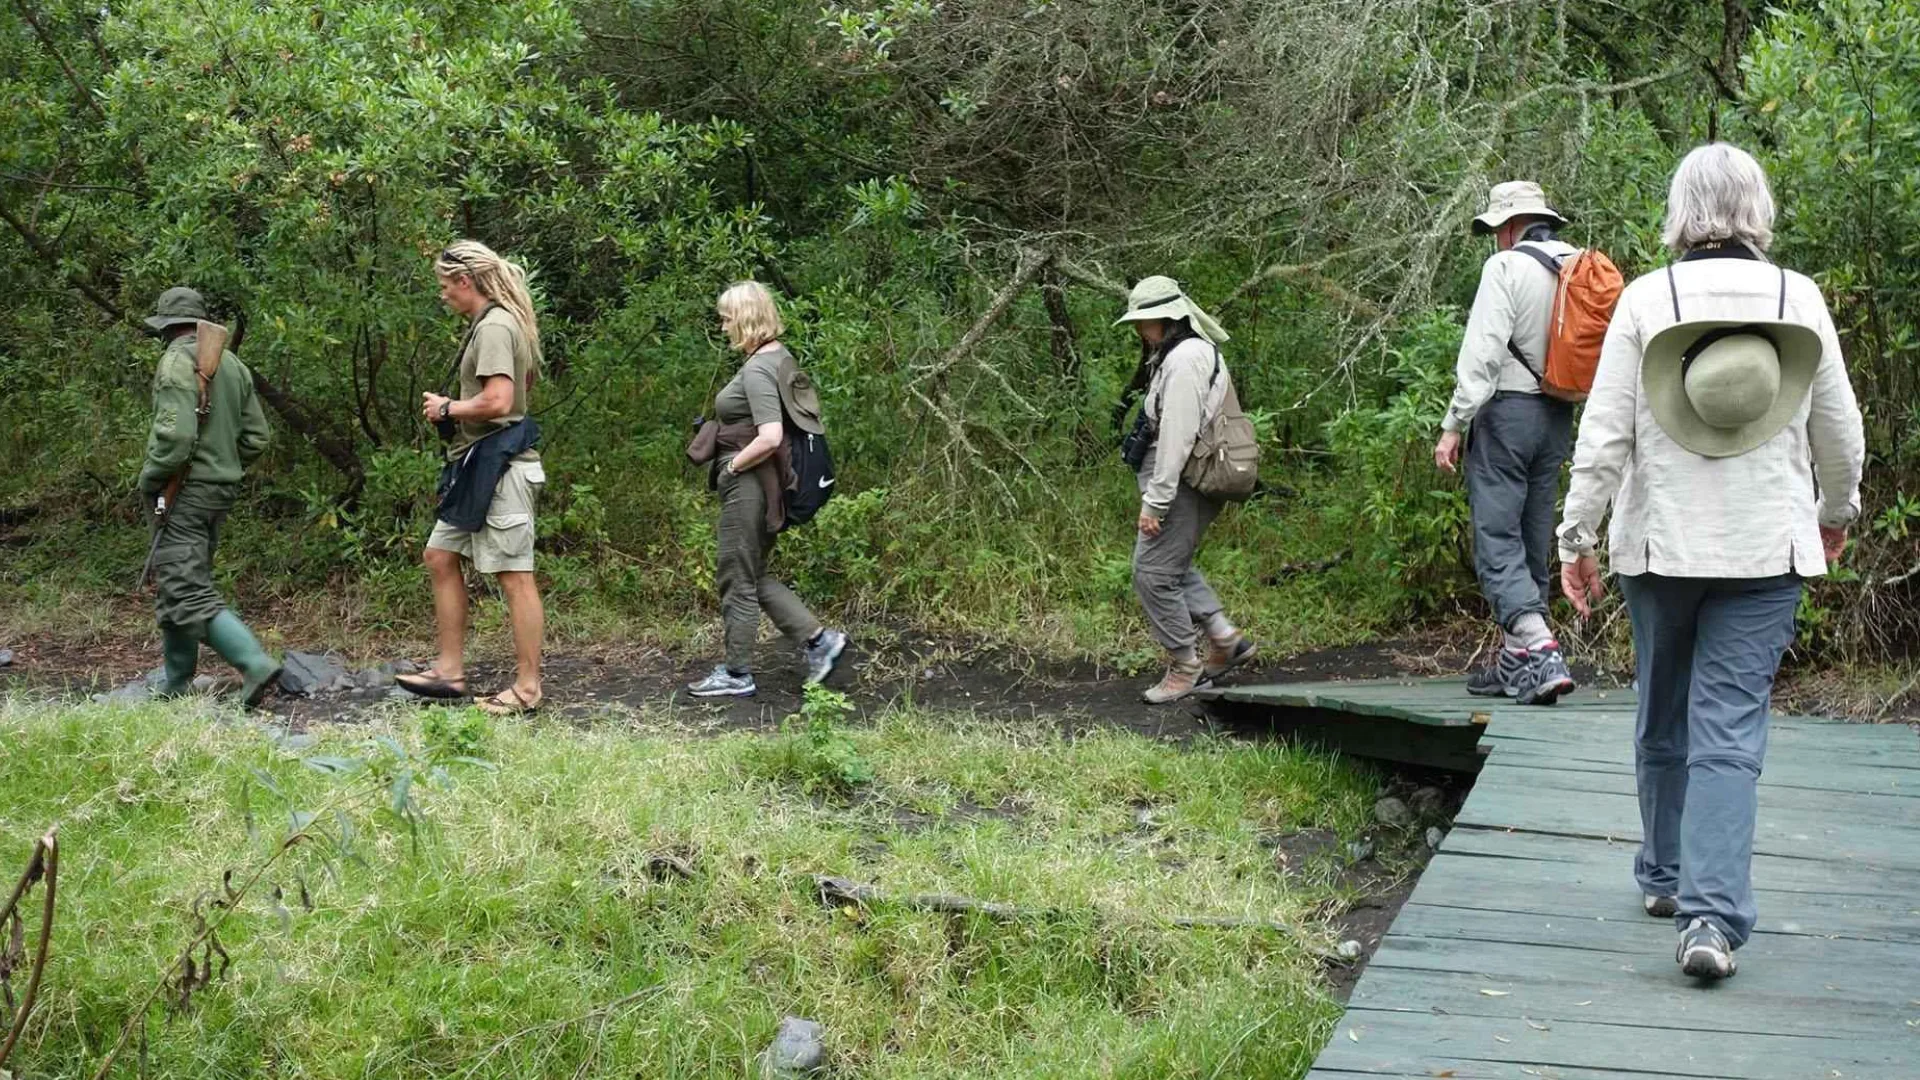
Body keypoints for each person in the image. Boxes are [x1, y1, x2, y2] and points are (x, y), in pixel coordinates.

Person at [1557, 143, 1865, 981]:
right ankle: (1711, 919)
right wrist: (1835, 515)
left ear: (1681, 212)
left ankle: (1665, 878)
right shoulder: (1794, 297)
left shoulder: (1647, 298)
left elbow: (1606, 433)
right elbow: (1839, 430)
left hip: (1661, 547)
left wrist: (1575, 538)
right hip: (1767, 545)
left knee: (1663, 707)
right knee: (1727, 730)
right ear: (1756, 209)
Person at [1434, 181, 1580, 705]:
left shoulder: (1505, 268)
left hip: (1507, 415)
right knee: (1532, 529)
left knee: (1496, 535)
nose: (1496, 239)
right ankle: (1517, 662)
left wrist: (1454, 423)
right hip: (1559, 416)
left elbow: (1483, 354)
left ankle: (1538, 644)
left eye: (1497, 229)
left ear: (1510, 227)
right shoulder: (1577, 265)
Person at [395, 241, 548, 716]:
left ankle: (527, 689)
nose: (443, 295)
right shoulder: (494, 324)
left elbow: (501, 401)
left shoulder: (497, 325)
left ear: (466, 282)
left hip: (502, 468)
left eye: (445, 286)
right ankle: (448, 672)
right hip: (476, 464)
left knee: (514, 576)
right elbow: (525, 385)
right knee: (440, 555)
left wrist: (448, 407)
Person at [684, 281, 847, 698]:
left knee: (735, 575)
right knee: (753, 574)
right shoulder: (780, 358)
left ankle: (737, 673)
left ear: (746, 318)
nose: (722, 327)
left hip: (751, 483)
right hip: (769, 483)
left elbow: (771, 435)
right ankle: (819, 641)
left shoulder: (758, 368)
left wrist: (733, 467)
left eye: (726, 318)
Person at [1114, 276, 1256, 704]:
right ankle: (1224, 638)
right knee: (1171, 564)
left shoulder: (1186, 359)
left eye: (1146, 321)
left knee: (1152, 573)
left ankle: (1184, 665)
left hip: (1182, 481)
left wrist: (1156, 502)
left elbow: (1176, 435)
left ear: (1167, 318)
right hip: (1183, 479)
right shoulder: (1178, 354)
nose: (1141, 330)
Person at [138, 287, 280, 706]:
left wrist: (152, 477)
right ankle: (177, 680)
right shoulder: (233, 365)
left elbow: (176, 437)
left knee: (186, 587)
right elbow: (257, 437)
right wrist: (222, 464)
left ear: (166, 328)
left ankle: (253, 663)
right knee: (178, 580)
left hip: (183, 490)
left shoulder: (175, 363)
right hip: (218, 490)